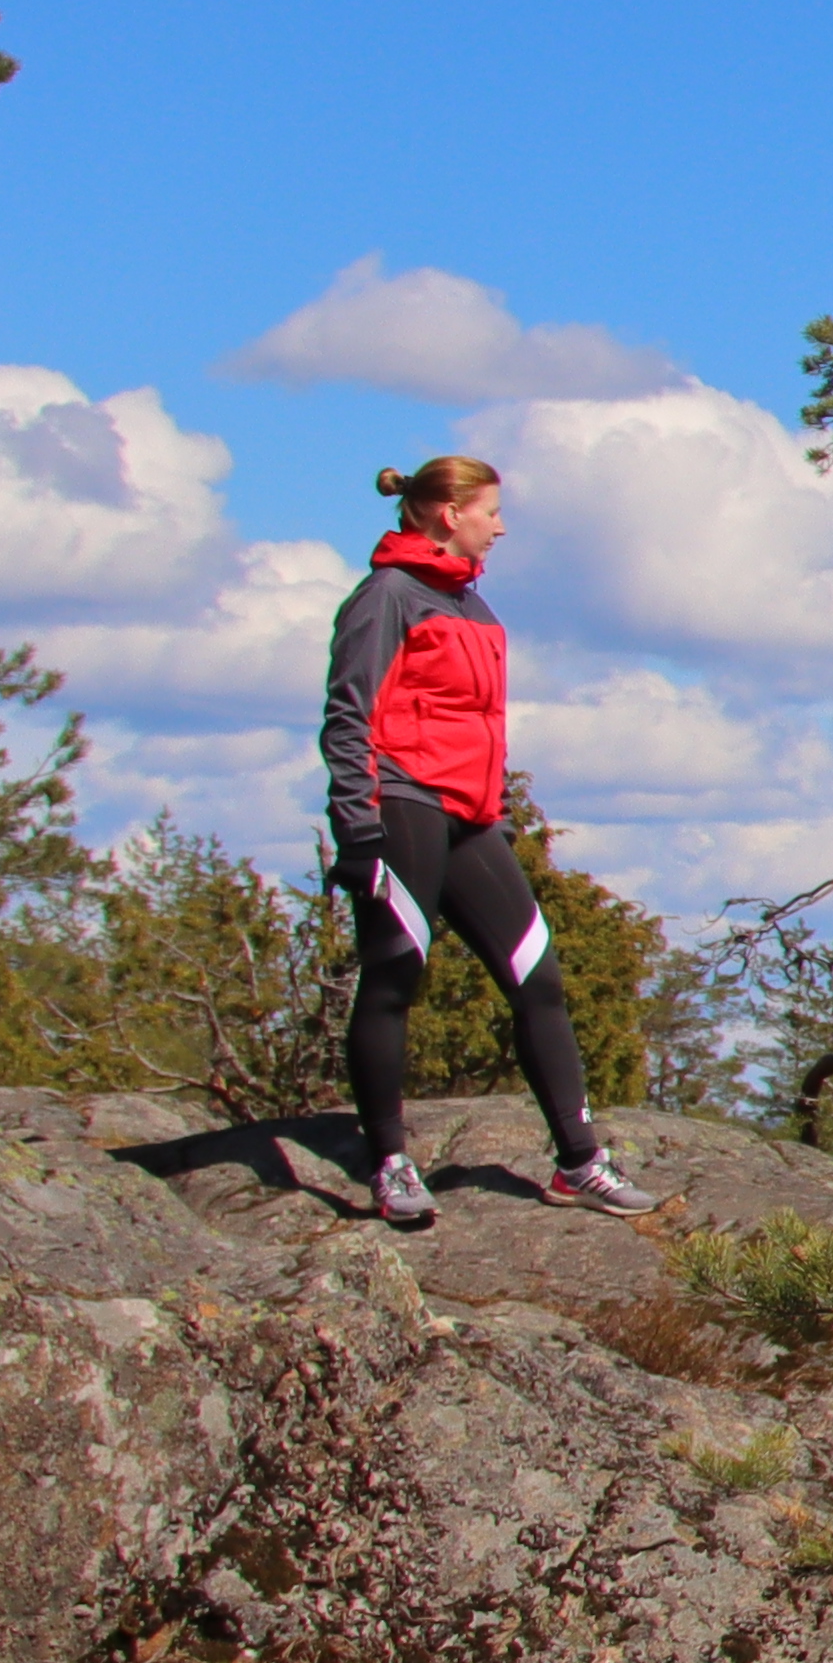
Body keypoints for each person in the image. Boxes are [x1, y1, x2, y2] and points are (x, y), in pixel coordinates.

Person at [320, 454, 659, 1231]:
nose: (500, 526)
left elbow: (480, 726)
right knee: (395, 976)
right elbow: (346, 718)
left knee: (537, 977)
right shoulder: (385, 599)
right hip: (401, 804)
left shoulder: (475, 609)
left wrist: (495, 813)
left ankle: (579, 1164)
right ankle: (390, 1164)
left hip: (472, 817)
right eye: (491, 512)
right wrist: (357, 827)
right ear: (448, 514)